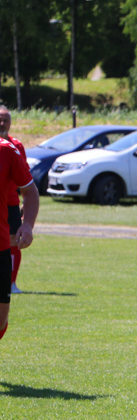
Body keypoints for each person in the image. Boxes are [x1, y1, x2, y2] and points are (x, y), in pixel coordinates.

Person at [0, 108, 39, 341]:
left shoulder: (8, 151)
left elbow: (30, 191)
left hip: (1, 243)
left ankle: (12, 281)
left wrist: (28, 225)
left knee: (2, 319)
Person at [1, 106, 27, 294]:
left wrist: (26, 202)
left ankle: (11, 282)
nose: (2, 123)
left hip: (11, 203)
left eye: (6, 119)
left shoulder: (16, 146)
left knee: (13, 243)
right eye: (0, 119)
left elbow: (26, 177)